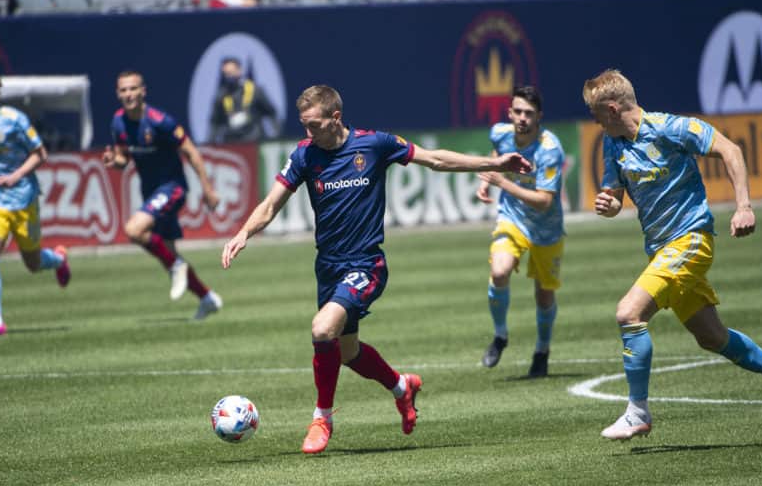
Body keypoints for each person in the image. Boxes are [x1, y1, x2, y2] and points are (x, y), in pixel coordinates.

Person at [221, 85, 532, 454]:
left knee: (322, 328)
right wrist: (243, 232)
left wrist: (495, 164)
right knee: (347, 351)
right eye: (304, 125)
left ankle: (322, 418)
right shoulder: (305, 155)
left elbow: (435, 160)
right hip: (328, 267)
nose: (308, 133)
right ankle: (402, 387)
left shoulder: (374, 144)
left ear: (335, 118)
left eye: (315, 125)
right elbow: (271, 204)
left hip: (367, 264)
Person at [582, 68, 762, 440]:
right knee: (711, 337)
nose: (593, 122)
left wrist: (744, 206)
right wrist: (609, 204)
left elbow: (730, 149)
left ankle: (637, 411)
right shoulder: (613, 143)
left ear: (611, 109)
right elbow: (614, 195)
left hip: (690, 241)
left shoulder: (670, 128)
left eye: (595, 115)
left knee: (629, 313)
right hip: (661, 251)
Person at [103, 71, 223, 320]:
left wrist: (208, 189)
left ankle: (176, 267)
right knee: (167, 251)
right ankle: (206, 297)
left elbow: (191, 152)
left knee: (135, 230)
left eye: (133, 89)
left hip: (173, 188)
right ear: (117, 94)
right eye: (123, 90)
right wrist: (114, 161)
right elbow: (124, 159)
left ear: (143, 91)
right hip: (150, 193)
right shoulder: (118, 123)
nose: (128, 94)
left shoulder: (160, 121)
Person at [0, 68, 71, 338]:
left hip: (24, 198)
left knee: (33, 263)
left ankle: (58, 260)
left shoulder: (15, 120)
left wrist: (15, 176)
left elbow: (41, 154)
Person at [476, 86, 565, 378]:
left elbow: (544, 201)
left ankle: (542, 351)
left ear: (539, 116)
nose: (523, 118)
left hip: (546, 228)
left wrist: (503, 184)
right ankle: (500, 336)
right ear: (510, 113)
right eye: (518, 112)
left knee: (544, 296)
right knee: (499, 272)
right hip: (511, 218)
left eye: (529, 113)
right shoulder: (500, 133)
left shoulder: (549, 149)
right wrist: (488, 180)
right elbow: (497, 155)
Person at [209, 57, 278, 143]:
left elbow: (272, 113)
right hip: (231, 143)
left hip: (255, 141)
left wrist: (276, 137)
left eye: (231, 72)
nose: (229, 76)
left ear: (239, 70)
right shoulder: (221, 96)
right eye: (226, 74)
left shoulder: (255, 90)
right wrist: (210, 143)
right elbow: (214, 123)